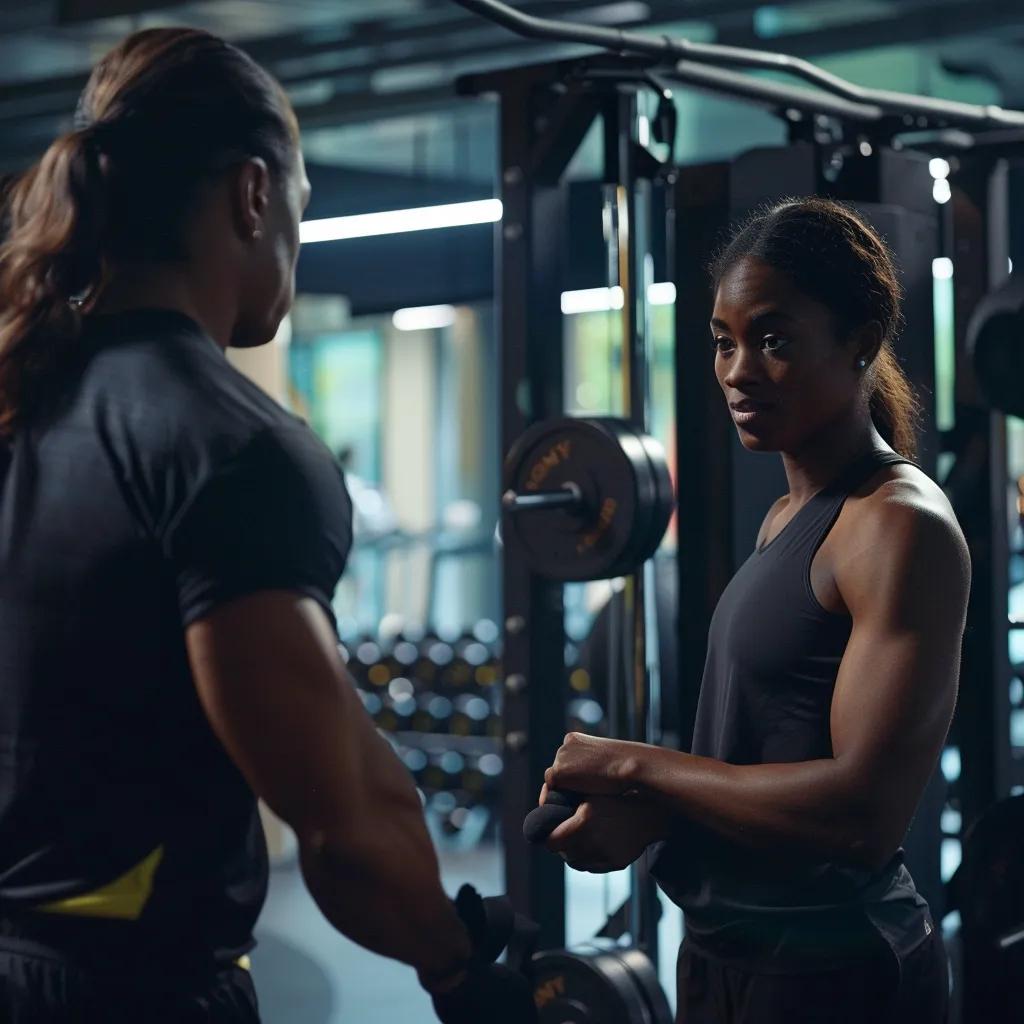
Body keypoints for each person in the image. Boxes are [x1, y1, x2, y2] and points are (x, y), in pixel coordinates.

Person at [0, 27, 532, 1024]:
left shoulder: (22, 395)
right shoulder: (228, 447)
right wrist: (461, 968)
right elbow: (342, 823)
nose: (296, 232)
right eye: (300, 206)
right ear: (254, 194)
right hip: (122, 992)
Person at [539, 197, 970, 1023]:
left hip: (830, 970)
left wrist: (636, 768)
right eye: (723, 341)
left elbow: (861, 816)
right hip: (728, 951)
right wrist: (657, 815)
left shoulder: (893, 524)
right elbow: (770, 752)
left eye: (774, 340)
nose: (738, 371)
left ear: (861, 341)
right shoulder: (786, 517)